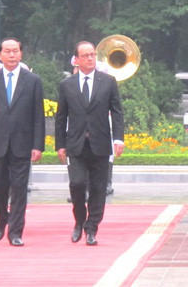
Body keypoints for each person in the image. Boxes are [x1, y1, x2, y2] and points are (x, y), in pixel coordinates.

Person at [0, 38, 45, 246]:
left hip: (22, 144)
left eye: (15, 51)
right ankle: (2, 219)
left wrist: (37, 145)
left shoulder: (32, 80)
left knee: (19, 188)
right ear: (0, 55)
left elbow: (38, 116)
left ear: (21, 54)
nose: (12, 55)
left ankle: (15, 232)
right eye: (8, 51)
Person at [55, 41, 124, 246]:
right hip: (75, 144)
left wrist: (118, 138)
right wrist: (60, 145)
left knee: (98, 187)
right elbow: (61, 117)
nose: (90, 58)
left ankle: (92, 227)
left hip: (100, 143)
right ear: (76, 59)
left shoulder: (108, 82)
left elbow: (117, 112)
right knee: (76, 184)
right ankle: (79, 220)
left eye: (93, 54)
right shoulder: (67, 85)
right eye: (85, 55)